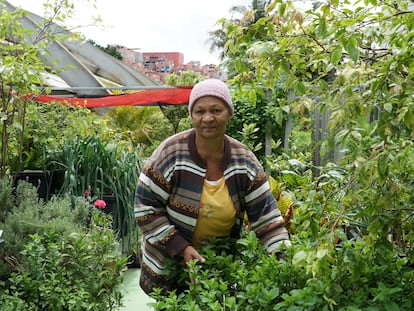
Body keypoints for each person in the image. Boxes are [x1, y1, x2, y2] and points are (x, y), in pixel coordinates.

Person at [134, 79, 291, 295]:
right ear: (192, 116)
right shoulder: (171, 153)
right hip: (168, 262)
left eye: (216, 110)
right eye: (200, 111)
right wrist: (181, 248)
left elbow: (267, 218)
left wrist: (284, 261)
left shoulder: (244, 161)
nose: (208, 118)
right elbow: (145, 209)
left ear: (229, 114)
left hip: (219, 264)